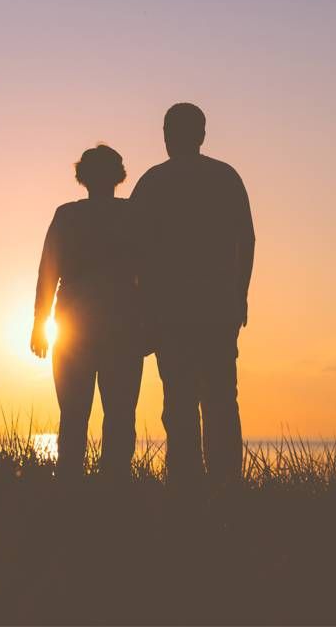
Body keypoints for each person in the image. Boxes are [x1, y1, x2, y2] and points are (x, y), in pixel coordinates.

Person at [130, 103, 255, 485]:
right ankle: (224, 488)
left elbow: (131, 247)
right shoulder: (225, 177)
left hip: (172, 313)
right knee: (220, 401)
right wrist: (239, 294)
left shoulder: (153, 182)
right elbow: (246, 239)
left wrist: (141, 307)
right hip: (216, 309)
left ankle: (186, 487)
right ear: (201, 136)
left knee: (180, 403)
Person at [31, 144, 145, 479]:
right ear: (118, 176)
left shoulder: (69, 216)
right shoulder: (131, 215)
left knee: (76, 413)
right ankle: (113, 483)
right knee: (119, 414)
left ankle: (72, 483)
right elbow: (151, 272)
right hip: (117, 328)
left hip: (79, 328)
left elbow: (47, 272)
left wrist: (40, 323)